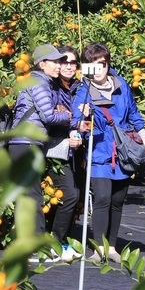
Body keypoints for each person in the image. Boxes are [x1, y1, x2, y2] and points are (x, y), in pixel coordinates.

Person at [71, 42, 145, 263]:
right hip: (99, 152)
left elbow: (134, 114)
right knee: (103, 199)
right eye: (94, 65)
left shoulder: (121, 85)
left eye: (103, 64)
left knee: (117, 200)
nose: (100, 69)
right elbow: (77, 126)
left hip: (122, 151)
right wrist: (85, 119)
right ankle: (98, 248)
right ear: (87, 67)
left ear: (108, 64)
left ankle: (112, 247)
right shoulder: (84, 90)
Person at [7, 43, 72, 252]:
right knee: (33, 196)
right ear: (42, 64)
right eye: (55, 62)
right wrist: (69, 116)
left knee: (29, 195)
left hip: (25, 143)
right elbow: (49, 116)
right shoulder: (39, 83)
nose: (59, 66)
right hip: (24, 144)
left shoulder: (42, 82)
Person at [42, 45, 83, 261]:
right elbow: (48, 118)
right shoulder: (52, 87)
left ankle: (62, 240)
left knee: (73, 197)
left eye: (72, 62)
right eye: (64, 62)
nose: (68, 66)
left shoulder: (79, 87)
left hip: (74, 151)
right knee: (69, 194)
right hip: (54, 150)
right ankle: (55, 242)